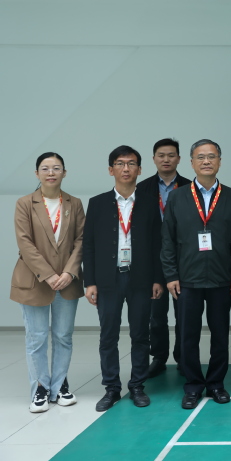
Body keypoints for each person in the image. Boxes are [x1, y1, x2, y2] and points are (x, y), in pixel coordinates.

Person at [162, 139, 231, 409]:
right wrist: (171, 275)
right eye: (201, 157)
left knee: (220, 335)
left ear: (220, 161)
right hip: (187, 279)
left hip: (222, 278)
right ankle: (193, 385)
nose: (206, 161)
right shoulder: (177, 197)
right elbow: (167, 240)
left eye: (212, 156)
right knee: (187, 335)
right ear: (191, 163)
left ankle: (216, 384)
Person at [83, 146, 164, 411]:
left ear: (140, 169)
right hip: (108, 279)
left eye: (131, 164)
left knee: (140, 334)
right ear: (111, 170)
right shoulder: (97, 203)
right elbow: (89, 245)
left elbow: (158, 243)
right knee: (108, 335)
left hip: (141, 278)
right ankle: (112, 388)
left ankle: (137, 386)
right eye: (120, 163)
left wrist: (158, 278)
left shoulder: (149, 203)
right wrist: (90, 281)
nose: (126, 168)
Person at [12, 152, 85, 413]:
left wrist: (69, 273)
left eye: (56, 168)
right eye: (45, 168)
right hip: (34, 280)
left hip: (67, 280)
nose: (51, 172)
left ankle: (60, 385)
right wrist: (49, 274)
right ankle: (40, 389)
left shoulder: (74, 203)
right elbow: (25, 243)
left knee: (63, 336)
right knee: (37, 338)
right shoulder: (24, 203)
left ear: (64, 172)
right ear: (37, 173)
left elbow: (81, 240)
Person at [137, 138, 191, 378]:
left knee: (184, 313)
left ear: (178, 159)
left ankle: (183, 357)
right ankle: (159, 357)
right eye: (161, 155)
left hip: (184, 257)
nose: (166, 159)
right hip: (153, 259)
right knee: (156, 315)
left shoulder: (190, 186)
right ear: (154, 159)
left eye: (171, 155)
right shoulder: (142, 188)